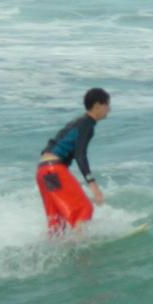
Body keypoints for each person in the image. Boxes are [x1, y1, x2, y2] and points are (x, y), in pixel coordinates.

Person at [36, 87, 109, 232]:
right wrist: (93, 186)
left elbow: (50, 146)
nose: (109, 109)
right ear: (97, 105)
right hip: (54, 169)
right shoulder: (87, 124)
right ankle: (78, 248)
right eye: (107, 105)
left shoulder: (76, 122)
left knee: (57, 220)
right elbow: (80, 154)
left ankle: (53, 250)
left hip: (43, 171)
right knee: (85, 209)